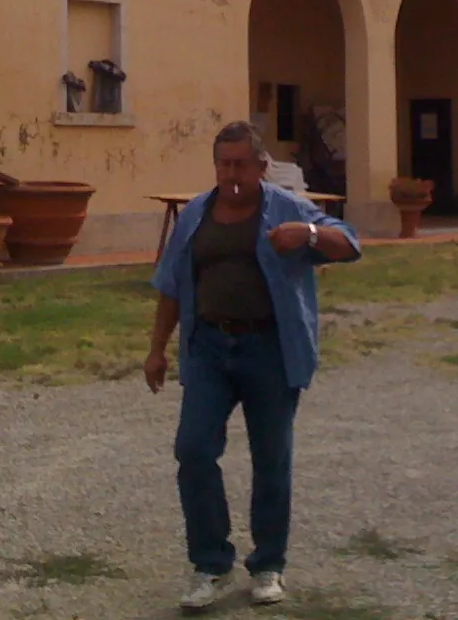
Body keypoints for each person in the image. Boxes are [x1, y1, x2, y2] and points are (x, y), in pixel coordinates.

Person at [146, 120, 361, 611]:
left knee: (271, 459)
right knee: (194, 449)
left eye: (241, 164)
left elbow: (350, 244)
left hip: (270, 349)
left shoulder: (286, 209)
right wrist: (157, 348)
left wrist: (307, 234)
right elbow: (172, 285)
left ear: (262, 167)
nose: (232, 174)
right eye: (224, 164)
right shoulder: (197, 214)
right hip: (209, 349)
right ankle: (210, 565)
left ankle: (268, 566)